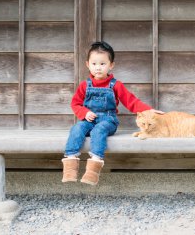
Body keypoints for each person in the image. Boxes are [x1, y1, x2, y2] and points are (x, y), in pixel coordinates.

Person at [62, 41, 163, 185]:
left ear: (111, 65)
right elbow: (75, 103)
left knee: (99, 129)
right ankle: (70, 166)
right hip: (89, 119)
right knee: (77, 128)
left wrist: (148, 110)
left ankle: (94, 167)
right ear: (87, 64)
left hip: (108, 120)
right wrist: (84, 113)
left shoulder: (115, 85)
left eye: (102, 64)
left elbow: (131, 101)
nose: (98, 68)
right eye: (94, 64)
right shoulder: (85, 85)